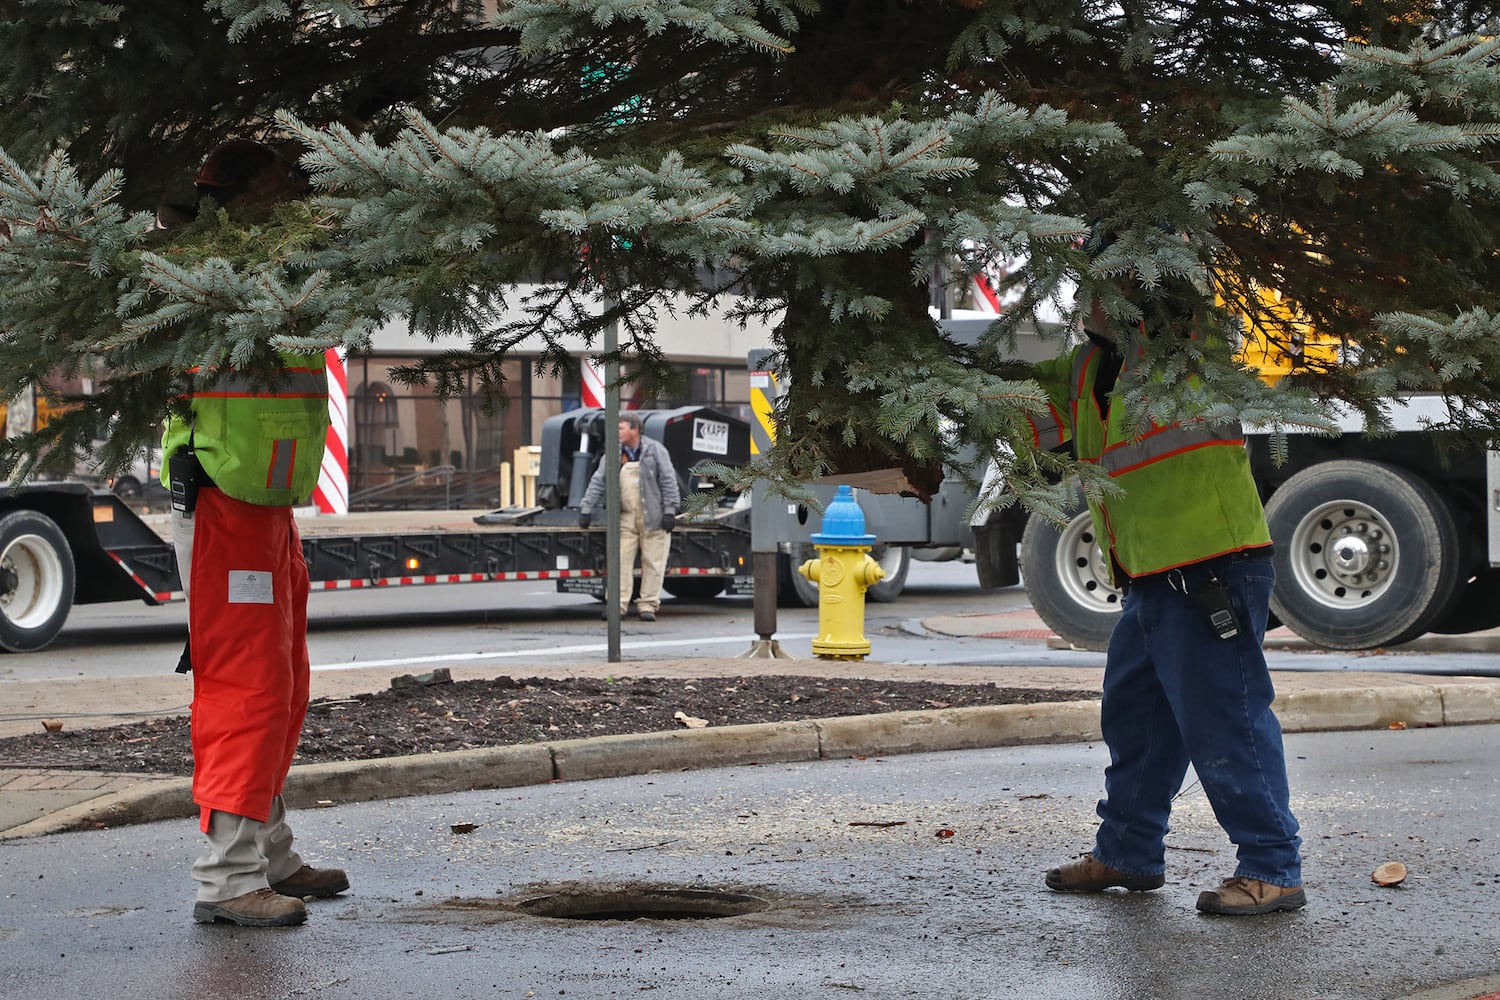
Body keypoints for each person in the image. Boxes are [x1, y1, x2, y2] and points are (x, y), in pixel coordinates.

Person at [1031, 289, 1305, 916]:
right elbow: (1020, 413)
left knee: (1226, 720)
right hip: (1148, 572)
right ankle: (1127, 850)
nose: (1086, 299)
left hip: (1209, 562)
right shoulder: (1086, 369)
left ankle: (1272, 866)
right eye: (1084, 286)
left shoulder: (1187, 345)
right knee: (1136, 718)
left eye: (1099, 285)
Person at [160, 140, 348, 927]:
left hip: (260, 501)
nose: (293, 203)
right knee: (247, 688)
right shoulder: (207, 270)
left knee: (284, 684)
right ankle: (227, 881)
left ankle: (270, 856)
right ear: (234, 198)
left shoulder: (281, 269)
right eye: (278, 190)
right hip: (222, 498)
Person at [578, 412, 681, 621]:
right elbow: (599, 480)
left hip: (653, 516)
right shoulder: (613, 454)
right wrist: (586, 508)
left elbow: (668, 481)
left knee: (654, 563)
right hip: (624, 518)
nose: (617, 432)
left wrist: (670, 510)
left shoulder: (655, 451)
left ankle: (648, 606)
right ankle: (618, 605)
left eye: (621, 428)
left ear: (635, 429)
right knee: (619, 562)